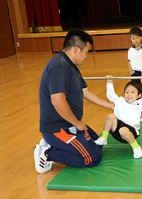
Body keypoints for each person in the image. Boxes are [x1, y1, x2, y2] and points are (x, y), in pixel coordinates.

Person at [34, 29, 113, 174]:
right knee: (92, 157)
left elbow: (85, 92)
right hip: (58, 129)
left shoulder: (71, 66)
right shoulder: (59, 66)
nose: (87, 56)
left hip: (70, 124)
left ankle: (58, 147)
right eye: (87, 52)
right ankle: (47, 153)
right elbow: (57, 101)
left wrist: (110, 105)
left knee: (98, 144)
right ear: (76, 49)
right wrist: (77, 123)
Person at [95, 75, 142, 158]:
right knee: (111, 116)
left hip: (130, 131)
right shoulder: (120, 101)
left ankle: (136, 147)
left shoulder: (139, 104)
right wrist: (109, 83)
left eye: (132, 92)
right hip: (117, 130)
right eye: (127, 92)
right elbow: (111, 95)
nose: (129, 95)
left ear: (139, 95)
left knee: (123, 130)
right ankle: (104, 138)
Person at [127, 27, 142, 117]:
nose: (135, 40)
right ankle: (138, 113)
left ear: (141, 37)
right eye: (133, 38)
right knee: (135, 92)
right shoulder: (130, 50)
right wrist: (131, 73)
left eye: (137, 38)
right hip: (135, 73)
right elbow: (129, 62)